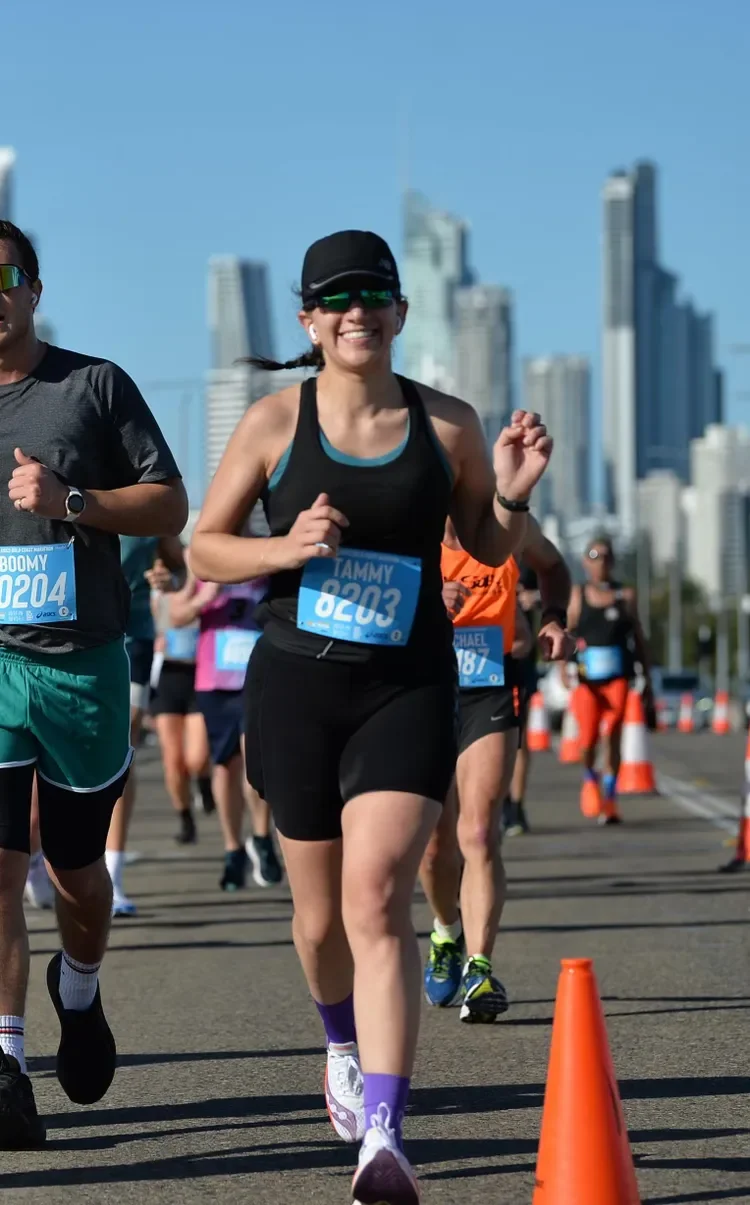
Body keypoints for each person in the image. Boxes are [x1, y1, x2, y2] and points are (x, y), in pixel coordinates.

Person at [190, 229, 552, 1204]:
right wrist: (285, 550)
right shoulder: (274, 422)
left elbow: (483, 536)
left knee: (377, 896)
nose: (358, 311)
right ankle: (339, 1043)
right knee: (318, 921)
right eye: (337, 298)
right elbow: (207, 546)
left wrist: (513, 494)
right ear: (309, 320)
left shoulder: (449, 425)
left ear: (399, 311)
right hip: (299, 689)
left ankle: (385, 1138)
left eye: (374, 294)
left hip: (409, 683)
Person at [0, 220, 187, 1145]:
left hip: (81, 664)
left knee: (77, 875)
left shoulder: (93, 385)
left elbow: (169, 500)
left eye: (5, 273)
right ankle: (5, 1062)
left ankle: (78, 988)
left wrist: (72, 500)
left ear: (34, 287)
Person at [420, 516, 572, 1019]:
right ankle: (446, 932)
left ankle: (480, 970)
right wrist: (429, 605)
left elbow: (552, 566)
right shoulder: (407, 525)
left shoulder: (505, 527)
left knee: (480, 833)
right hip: (423, 687)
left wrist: (552, 620)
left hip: (490, 684)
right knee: (433, 843)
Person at [168, 561, 283, 889]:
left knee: (255, 758)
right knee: (224, 767)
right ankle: (233, 849)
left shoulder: (264, 555)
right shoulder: (202, 559)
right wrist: (207, 596)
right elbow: (176, 616)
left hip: (257, 677)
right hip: (214, 680)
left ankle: (262, 836)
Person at [106, 538, 184, 915]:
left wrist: (169, 578)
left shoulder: (145, 495)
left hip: (129, 639)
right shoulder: (51, 486)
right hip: (56, 639)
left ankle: (112, 877)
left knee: (122, 747)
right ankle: (36, 857)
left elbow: (180, 571)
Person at [567, 534, 653, 824]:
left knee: (613, 731)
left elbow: (638, 636)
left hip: (619, 675)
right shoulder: (578, 595)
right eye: (594, 556)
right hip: (587, 680)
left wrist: (646, 676)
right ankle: (589, 777)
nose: (600, 562)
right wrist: (562, 670)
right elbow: (567, 633)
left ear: (613, 561)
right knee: (588, 737)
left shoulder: (625, 595)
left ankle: (610, 796)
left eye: (605, 556)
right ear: (585, 562)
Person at [150, 565, 212, 845]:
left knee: (196, 758)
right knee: (173, 761)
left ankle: (204, 780)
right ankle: (185, 818)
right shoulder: (157, 591)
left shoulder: (206, 585)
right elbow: (158, 623)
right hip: (168, 675)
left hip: (200, 672)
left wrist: (193, 580)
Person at [503, 561, 543, 836]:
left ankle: (515, 807)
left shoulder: (526, 553)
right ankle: (494, 802)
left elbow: (556, 578)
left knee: (518, 736)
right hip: (469, 654)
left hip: (518, 658)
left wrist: (537, 598)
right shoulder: (466, 542)